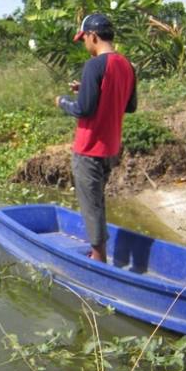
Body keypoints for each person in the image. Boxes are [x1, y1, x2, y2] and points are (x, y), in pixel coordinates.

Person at [54, 13, 137, 263]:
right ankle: (99, 250)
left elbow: (83, 109)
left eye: (85, 40)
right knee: (98, 200)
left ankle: (98, 259)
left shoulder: (94, 65)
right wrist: (88, 90)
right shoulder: (127, 65)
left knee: (91, 205)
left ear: (93, 36)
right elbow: (129, 105)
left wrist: (63, 102)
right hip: (111, 148)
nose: (85, 45)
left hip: (89, 148)